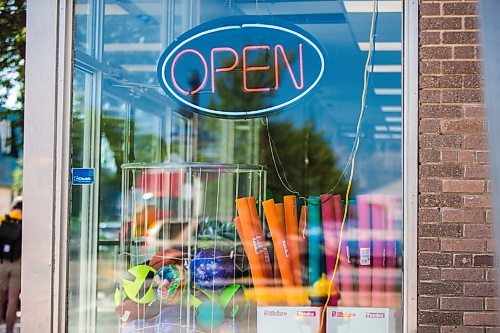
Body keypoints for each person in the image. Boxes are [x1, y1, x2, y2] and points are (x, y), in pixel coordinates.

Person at [0, 197, 22, 333]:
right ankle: (9, 330)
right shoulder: (27, 222)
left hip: (1, 263)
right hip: (18, 264)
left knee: (0, 298)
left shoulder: (3, 219)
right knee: (12, 299)